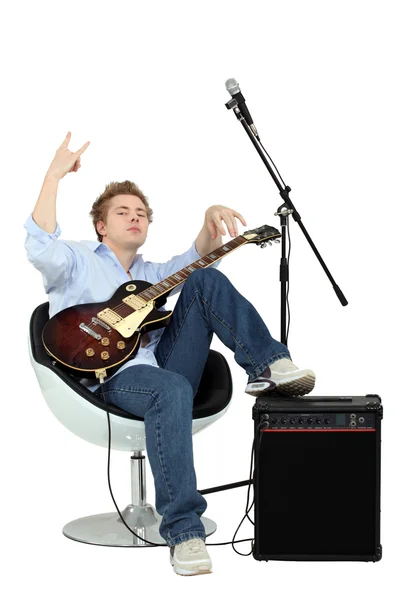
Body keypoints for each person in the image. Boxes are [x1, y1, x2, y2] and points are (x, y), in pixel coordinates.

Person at [24, 132, 316, 576]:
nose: (135, 217)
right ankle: (184, 533)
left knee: (203, 282)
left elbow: (194, 260)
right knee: (171, 388)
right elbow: (40, 245)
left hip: (164, 365)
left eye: (141, 213)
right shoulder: (77, 260)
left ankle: (270, 364)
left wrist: (208, 222)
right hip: (110, 379)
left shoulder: (149, 275)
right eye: (122, 212)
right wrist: (53, 176)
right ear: (101, 225)